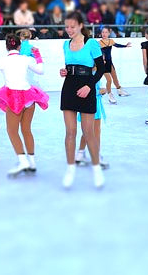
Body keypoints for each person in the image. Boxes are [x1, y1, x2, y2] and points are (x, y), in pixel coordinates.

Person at [0, 36, 48, 176]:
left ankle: (23, 161)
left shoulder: (3, 61)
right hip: (29, 97)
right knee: (26, 130)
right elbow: (41, 70)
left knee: (12, 131)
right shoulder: (25, 59)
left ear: (6, 47)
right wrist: (37, 54)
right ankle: (32, 162)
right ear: (19, 46)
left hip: (15, 98)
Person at [59, 11, 106, 189]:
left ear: (80, 25)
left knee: (88, 132)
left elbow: (101, 69)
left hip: (87, 88)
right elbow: (69, 66)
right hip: (69, 88)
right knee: (70, 132)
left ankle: (96, 169)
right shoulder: (65, 44)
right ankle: (70, 170)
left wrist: (90, 86)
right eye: (67, 26)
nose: (69, 29)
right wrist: (64, 71)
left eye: (72, 26)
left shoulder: (91, 43)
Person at [75, 80, 110, 169]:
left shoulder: (89, 74)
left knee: (88, 130)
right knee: (95, 131)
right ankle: (96, 156)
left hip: (90, 102)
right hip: (92, 102)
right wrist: (99, 91)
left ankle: (80, 153)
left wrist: (101, 91)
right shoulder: (92, 74)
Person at [98, 26, 132, 104]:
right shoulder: (99, 43)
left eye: (106, 32)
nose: (104, 34)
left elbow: (117, 45)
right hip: (103, 64)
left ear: (109, 33)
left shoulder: (111, 41)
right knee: (109, 80)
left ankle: (119, 90)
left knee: (115, 78)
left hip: (110, 63)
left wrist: (125, 46)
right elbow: (98, 53)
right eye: (103, 32)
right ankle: (110, 95)